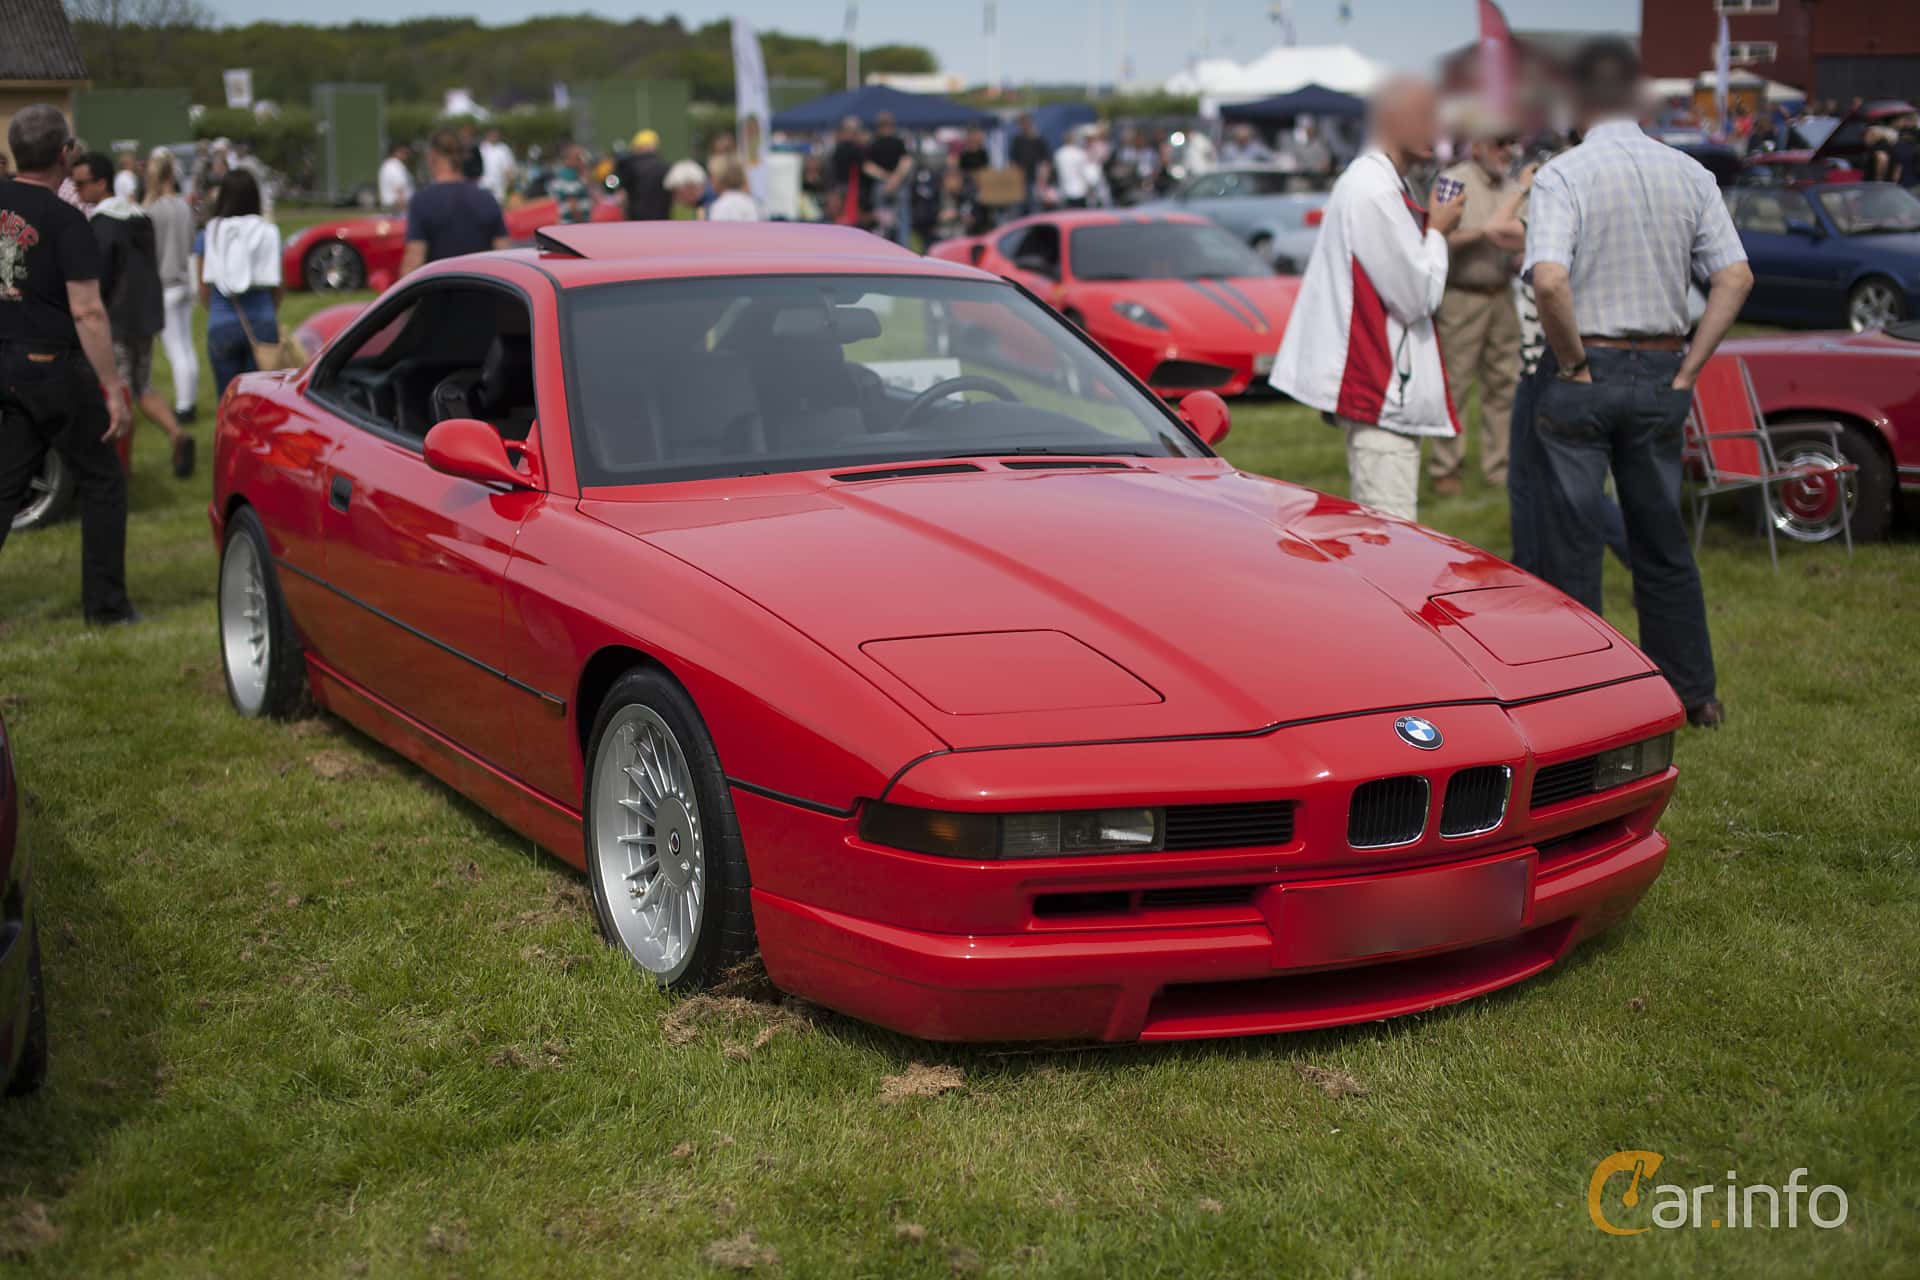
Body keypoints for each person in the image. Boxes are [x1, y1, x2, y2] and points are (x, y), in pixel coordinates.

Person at [1521, 38, 1752, 729]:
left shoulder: (1564, 174)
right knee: (1661, 541)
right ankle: (1692, 694)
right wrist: (1687, 366)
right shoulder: (1688, 172)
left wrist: (1572, 363)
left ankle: (1583, 701)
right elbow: (1735, 276)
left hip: (1585, 364)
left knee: (1572, 544)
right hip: (1658, 367)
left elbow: (1550, 277)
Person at [1267, 76, 1466, 522]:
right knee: (1390, 543)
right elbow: (1417, 295)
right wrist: (1438, 231)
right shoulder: (1373, 188)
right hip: (1380, 390)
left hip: (1382, 387)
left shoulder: (1376, 182)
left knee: (1384, 541)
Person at [0, 105, 138, 626]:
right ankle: (107, 608)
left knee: (5, 485)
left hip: (5, 363)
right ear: (64, 154)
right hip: (50, 365)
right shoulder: (66, 218)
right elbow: (87, 309)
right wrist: (111, 388)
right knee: (103, 481)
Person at [69, 150, 194, 478]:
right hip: (147, 315)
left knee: (119, 393)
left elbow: (100, 278)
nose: (78, 191)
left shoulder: (100, 226)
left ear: (101, 183)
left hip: (118, 320)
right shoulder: (140, 217)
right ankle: (176, 433)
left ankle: (119, 468)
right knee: (144, 387)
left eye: (82, 184)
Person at [1428, 123, 1534, 497]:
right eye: (1499, 142)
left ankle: (1499, 467)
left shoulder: (1512, 187)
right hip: (1462, 295)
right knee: (1454, 385)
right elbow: (1436, 237)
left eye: (1512, 143)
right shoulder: (1452, 181)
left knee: (1504, 385)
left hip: (1501, 294)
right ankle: (1446, 468)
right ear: (1476, 146)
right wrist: (1485, 234)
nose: (1507, 151)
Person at [196, 168, 281, 401]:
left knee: (228, 399)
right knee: (260, 401)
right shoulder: (269, 232)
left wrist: (214, 310)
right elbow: (276, 286)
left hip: (222, 320)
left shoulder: (210, 233)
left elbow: (203, 286)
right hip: (262, 320)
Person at [142, 147, 198, 427]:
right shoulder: (184, 206)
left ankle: (184, 404)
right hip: (184, 281)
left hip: (164, 285)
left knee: (175, 349)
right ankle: (190, 399)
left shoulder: (152, 210)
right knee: (187, 346)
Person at [401, 129, 509, 275]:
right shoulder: (487, 199)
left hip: (440, 292)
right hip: (482, 292)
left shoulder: (422, 202)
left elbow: (414, 259)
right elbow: (504, 255)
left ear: (432, 156)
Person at [863, 111, 912, 243]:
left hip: (881, 185)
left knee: (881, 221)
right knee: (902, 220)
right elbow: (906, 162)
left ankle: (883, 248)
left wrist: (885, 178)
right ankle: (903, 249)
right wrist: (894, 179)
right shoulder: (899, 142)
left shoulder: (873, 143)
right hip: (898, 184)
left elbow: (868, 166)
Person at [616, 129, 671, 221]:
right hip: (662, 218)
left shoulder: (629, 166)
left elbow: (615, 186)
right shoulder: (665, 167)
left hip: (637, 218)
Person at [1052, 127, 1105, 208]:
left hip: (1065, 191)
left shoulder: (1059, 154)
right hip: (1079, 191)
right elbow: (1085, 172)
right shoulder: (1079, 153)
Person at [827, 116, 867, 226]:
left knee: (840, 220)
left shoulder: (838, 148)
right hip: (849, 189)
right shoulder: (855, 148)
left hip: (841, 188)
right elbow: (865, 166)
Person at [1009, 114, 1051, 214]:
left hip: (1036, 178)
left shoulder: (1039, 139)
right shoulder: (1017, 140)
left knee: (1035, 207)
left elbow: (1045, 160)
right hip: (1021, 178)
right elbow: (1013, 160)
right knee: (1019, 208)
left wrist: (1043, 177)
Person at [549, 143, 594, 224]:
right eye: (578, 158)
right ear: (568, 160)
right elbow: (572, 203)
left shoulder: (575, 174)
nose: (582, 160)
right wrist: (580, 222)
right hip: (573, 224)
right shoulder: (569, 175)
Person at [478, 127, 515, 204]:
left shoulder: (503, 149)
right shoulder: (480, 149)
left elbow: (508, 169)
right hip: (483, 186)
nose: (494, 136)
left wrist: (510, 186)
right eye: (491, 134)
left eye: (495, 134)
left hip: (499, 189)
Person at [377, 142, 414, 214]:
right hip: (397, 207)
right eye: (405, 152)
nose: (407, 155)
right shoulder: (396, 166)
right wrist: (405, 211)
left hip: (391, 206)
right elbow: (399, 189)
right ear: (397, 152)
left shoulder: (387, 165)